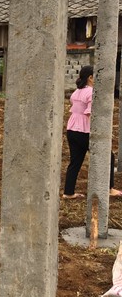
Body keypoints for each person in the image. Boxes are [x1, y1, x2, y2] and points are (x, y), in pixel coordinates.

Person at [62, 65, 122, 199]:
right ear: (90, 78)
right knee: (108, 156)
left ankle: (68, 192)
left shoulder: (76, 92)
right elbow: (90, 114)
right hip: (85, 131)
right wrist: (100, 132)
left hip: (72, 130)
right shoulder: (92, 92)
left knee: (75, 162)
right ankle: (109, 188)